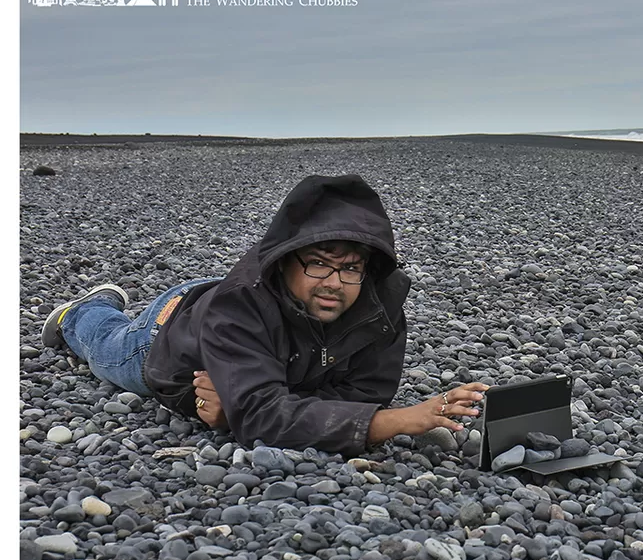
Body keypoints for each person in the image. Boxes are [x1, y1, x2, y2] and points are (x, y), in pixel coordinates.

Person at [41, 174, 488, 457]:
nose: (334, 281)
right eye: (318, 262)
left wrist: (242, 407)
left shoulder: (378, 303)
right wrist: (396, 421)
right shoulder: (237, 308)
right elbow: (263, 415)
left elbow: (365, 390)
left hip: (236, 301)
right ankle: (85, 309)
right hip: (173, 330)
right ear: (287, 259)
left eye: (350, 267)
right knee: (106, 349)